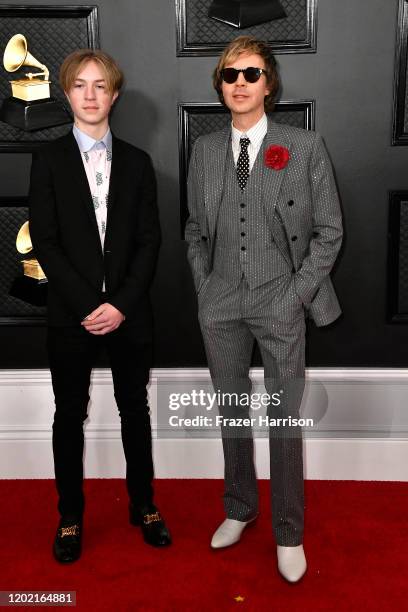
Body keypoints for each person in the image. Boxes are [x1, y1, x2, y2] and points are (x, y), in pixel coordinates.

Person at [185, 35, 342, 582]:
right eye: (230, 75)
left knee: (283, 420)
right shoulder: (204, 151)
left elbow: (329, 233)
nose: (240, 84)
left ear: (268, 83)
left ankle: (289, 531)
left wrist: (293, 296)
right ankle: (239, 506)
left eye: (251, 74)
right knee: (231, 411)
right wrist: (206, 289)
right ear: (220, 85)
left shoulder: (303, 147)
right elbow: (193, 230)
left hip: (281, 299)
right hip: (221, 301)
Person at [29, 49, 171, 563]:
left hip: (129, 315)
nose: (90, 95)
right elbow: (45, 241)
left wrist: (121, 305)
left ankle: (145, 504)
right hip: (72, 315)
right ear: (67, 94)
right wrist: (92, 303)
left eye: (100, 86)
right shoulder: (46, 160)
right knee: (69, 414)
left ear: (114, 94)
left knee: (136, 410)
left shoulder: (137, 162)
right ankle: (70, 515)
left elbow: (149, 242)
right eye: (80, 86)